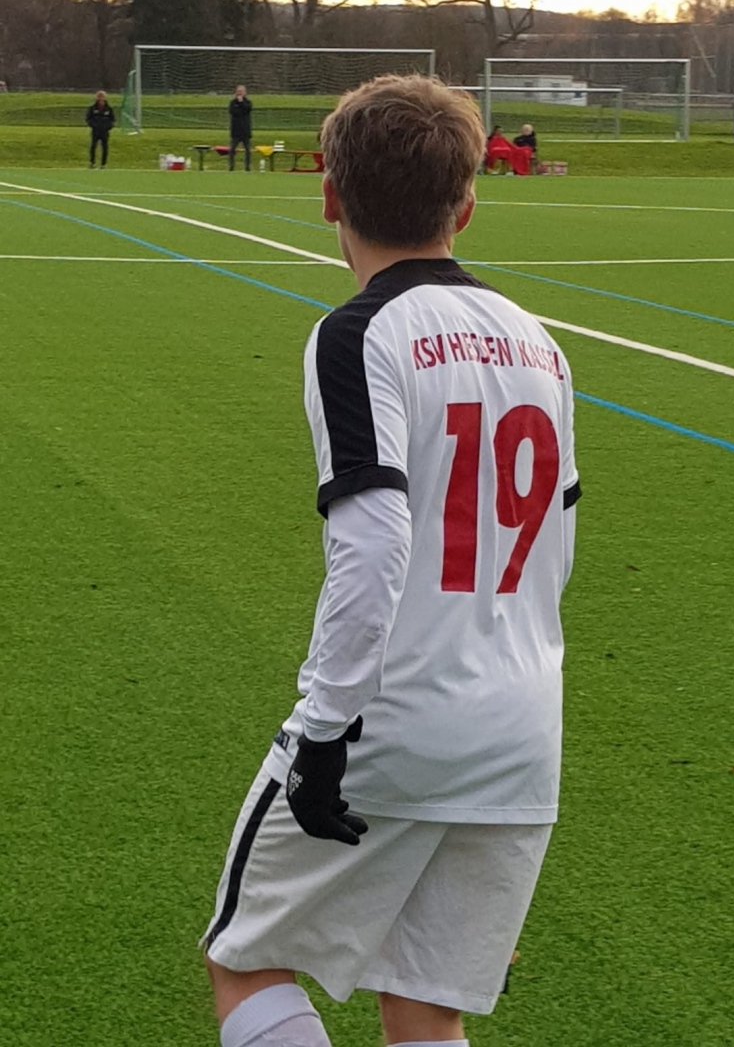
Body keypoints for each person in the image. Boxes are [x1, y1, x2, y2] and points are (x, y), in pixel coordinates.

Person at [202, 73, 581, 1047]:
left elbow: (372, 543)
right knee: (423, 1003)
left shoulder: (357, 333)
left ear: (329, 195)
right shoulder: (541, 345)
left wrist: (328, 727)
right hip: (521, 729)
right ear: (468, 202)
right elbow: (557, 546)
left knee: (245, 963)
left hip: (396, 717)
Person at [85, 90, 115, 169]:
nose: (101, 99)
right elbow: (88, 119)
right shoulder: (92, 108)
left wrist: (108, 127)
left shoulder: (109, 109)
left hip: (104, 131)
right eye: (99, 97)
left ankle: (103, 164)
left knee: (105, 147)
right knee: (93, 146)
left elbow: (112, 119)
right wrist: (94, 125)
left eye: (102, 97)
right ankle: (92, 163)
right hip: (95, 131)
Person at [229, 85, 253, 172]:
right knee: (232, 149)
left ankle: (247, 167)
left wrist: (241, 103)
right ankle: (231, 166)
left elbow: (247, 110)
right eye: (238, 91)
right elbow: (233, 112)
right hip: (236, 131)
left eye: (241, 91)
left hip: (245, 131)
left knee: (248, 150)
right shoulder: (232, 103)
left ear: (245, 92)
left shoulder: (248, 102)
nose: (239, 93)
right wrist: (240, 107)